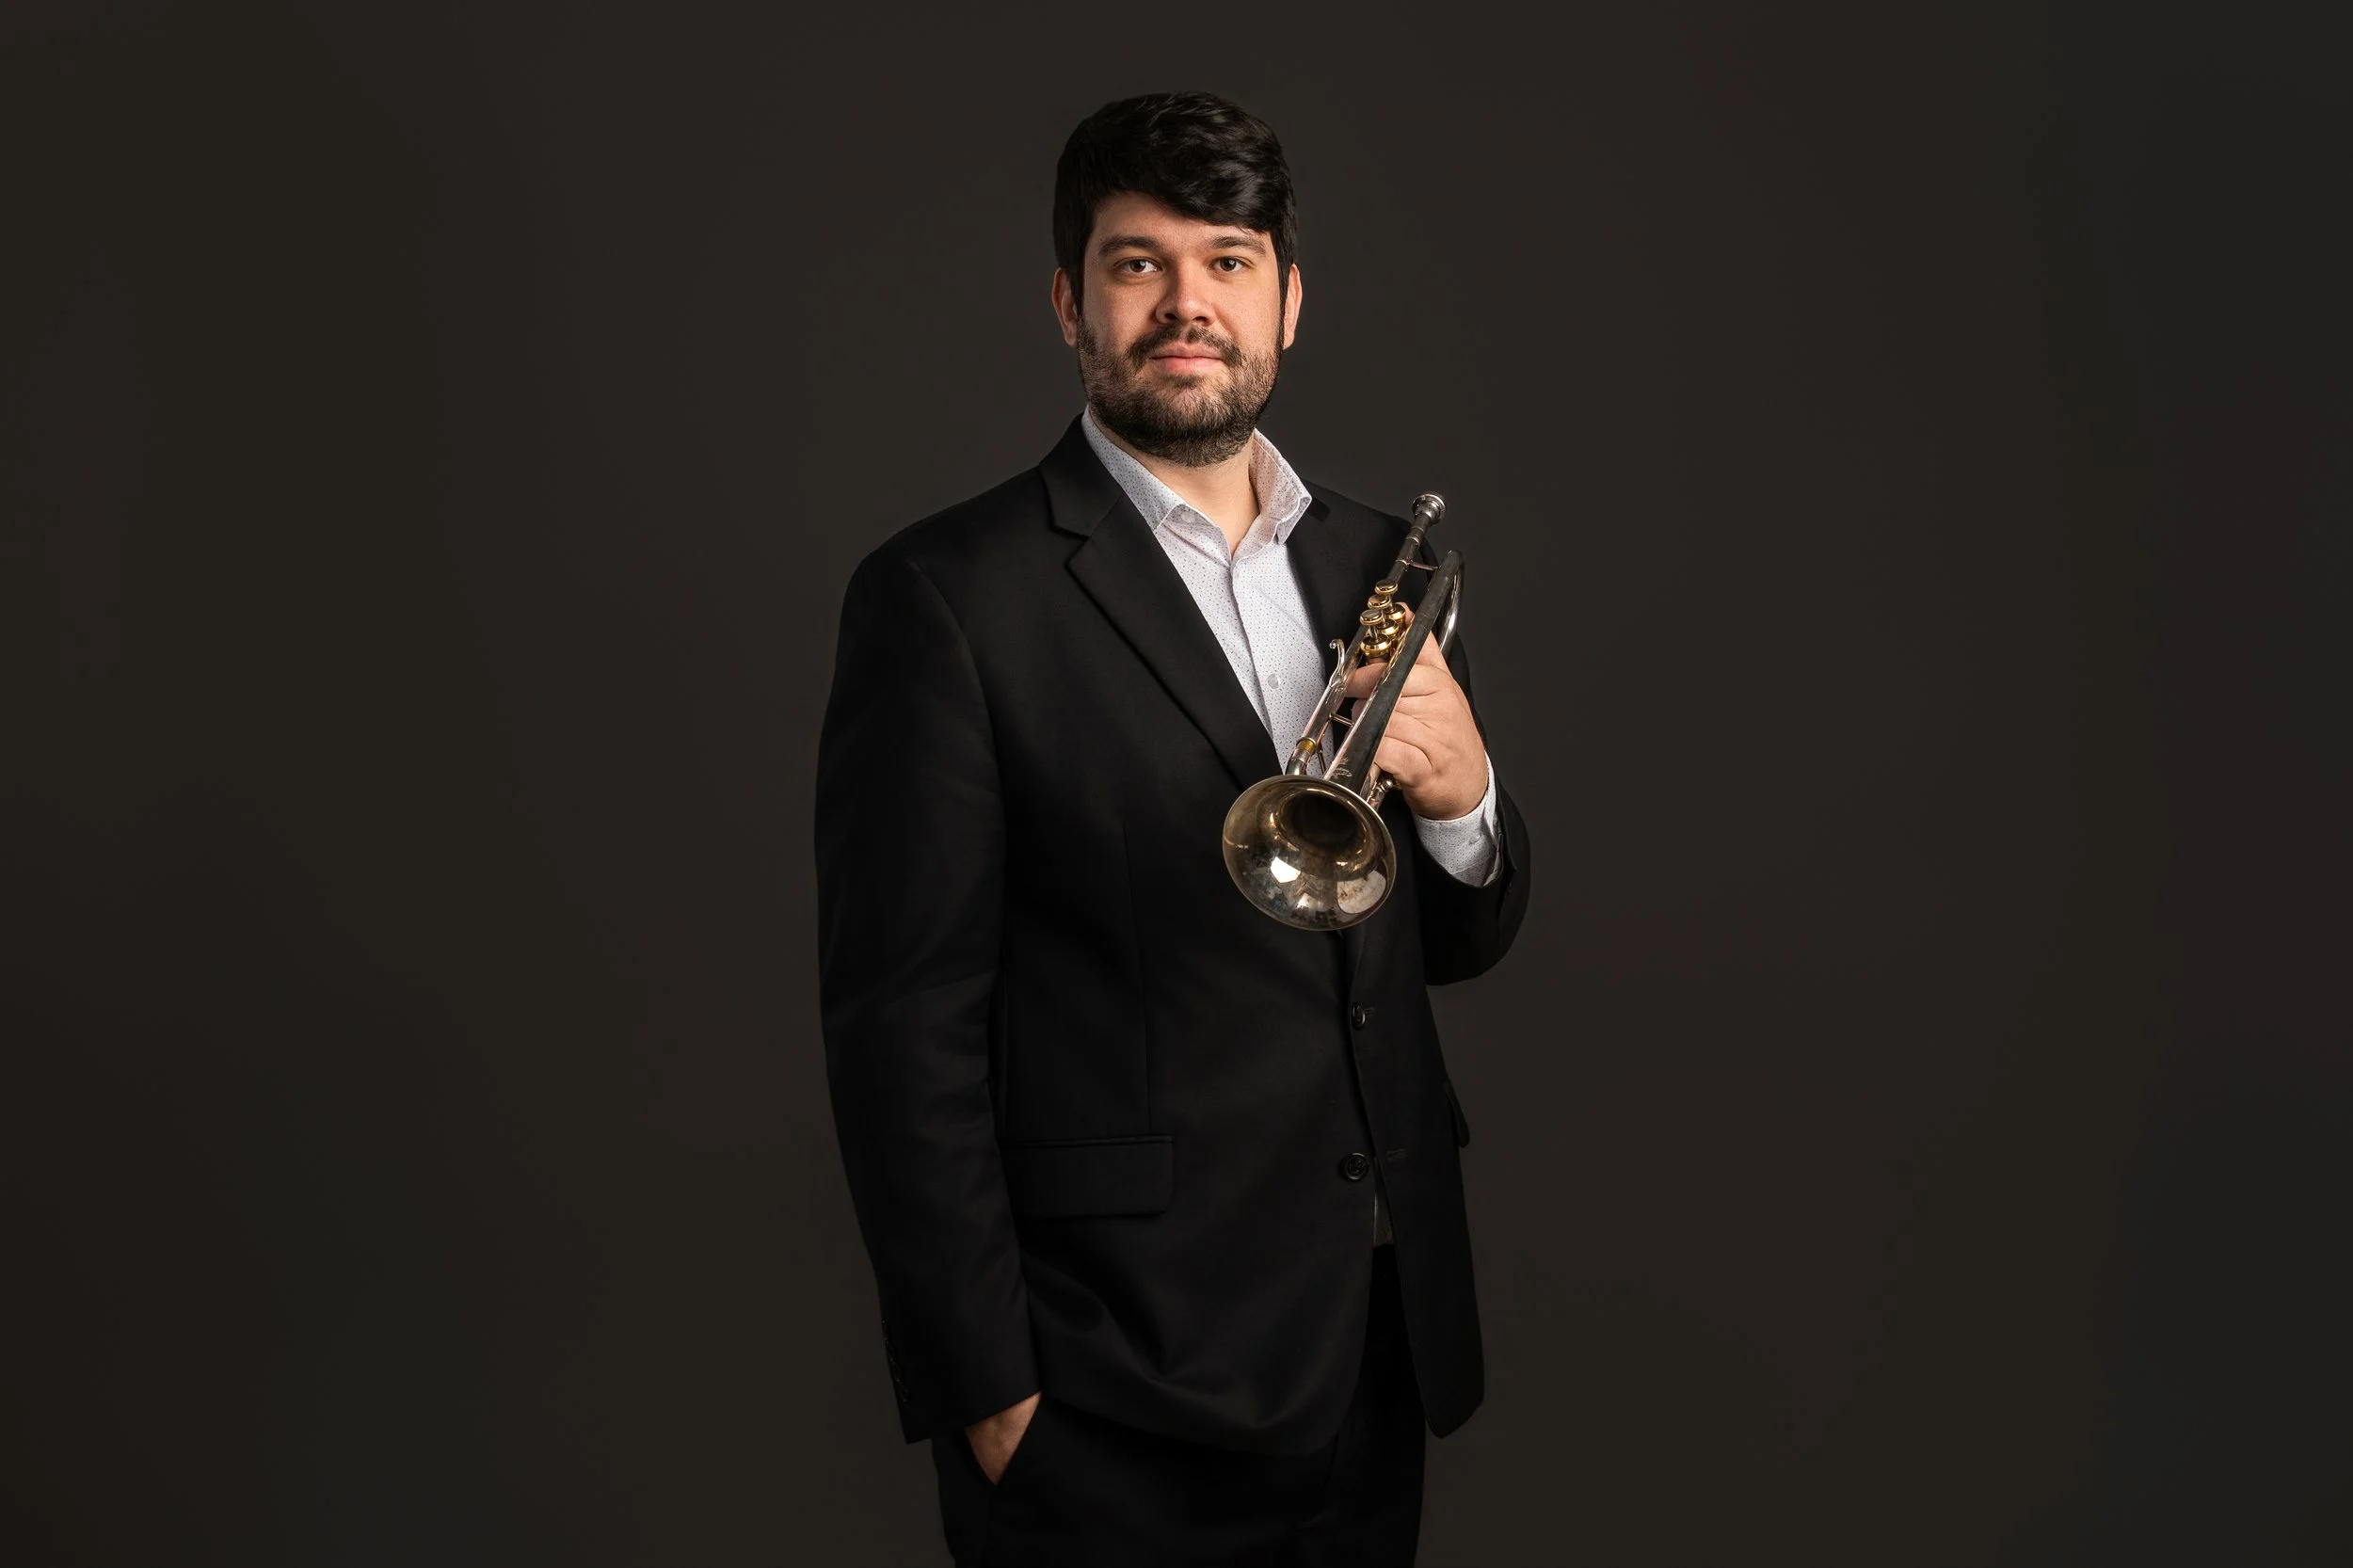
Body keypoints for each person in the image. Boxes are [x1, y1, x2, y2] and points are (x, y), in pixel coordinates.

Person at [814, 90, 1531, 1567]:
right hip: (1112, 1381)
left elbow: (1430, 941)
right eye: (1140, 264)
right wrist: (994, 1393)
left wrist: (1469, 806)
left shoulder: (1370, 558)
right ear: (1072, 302)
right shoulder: (950, 597)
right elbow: (903, 1029)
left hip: (1374, 1344)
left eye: (1226, 259)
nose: (1187, 303)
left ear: (1289, 298)